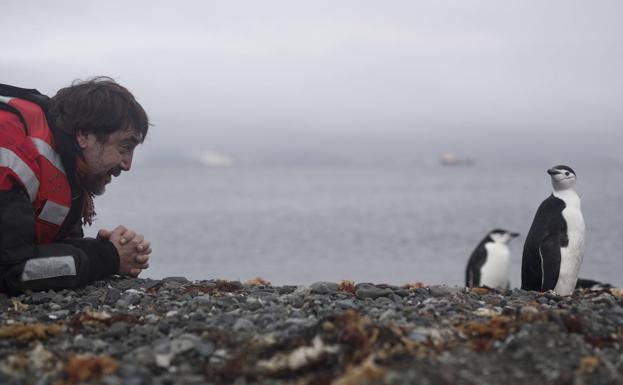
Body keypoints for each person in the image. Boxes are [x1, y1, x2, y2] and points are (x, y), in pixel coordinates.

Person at [0, 77, 152, 295]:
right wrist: (107, 257)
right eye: (124, 147)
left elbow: (48, 247)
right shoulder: (10, 149)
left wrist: (100, 249)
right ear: (84, 136)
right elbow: (12, 271)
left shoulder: (69, 168)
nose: (127, 165)